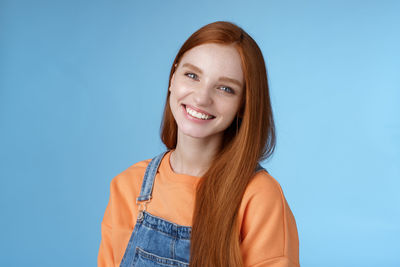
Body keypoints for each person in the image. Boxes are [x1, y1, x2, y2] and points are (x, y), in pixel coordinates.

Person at [98, 21, 299, 267]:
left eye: (225, 88)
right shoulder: (129, 186)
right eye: (192, 75)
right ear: (173, 78)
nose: (202, 98)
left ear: (243, 106)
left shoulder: (258, 197)